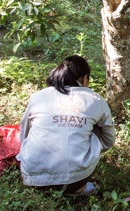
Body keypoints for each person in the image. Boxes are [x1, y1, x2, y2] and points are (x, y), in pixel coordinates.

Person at [17, 55, 115, 195]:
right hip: (76, 179)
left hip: (32, 176)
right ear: (85, 78)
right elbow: (109, 140)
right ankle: (80, 187)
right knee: (97, 126)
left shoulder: (38, 97)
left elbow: (24, 134)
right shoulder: (95, 100)